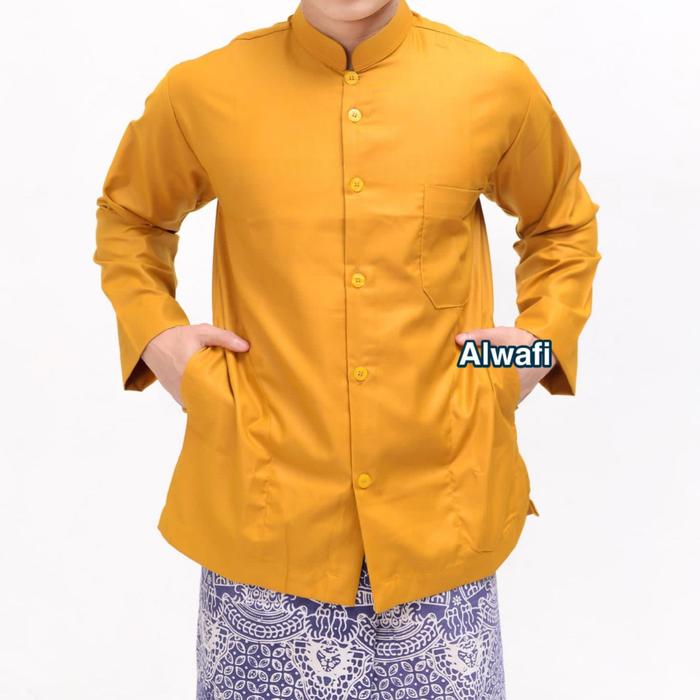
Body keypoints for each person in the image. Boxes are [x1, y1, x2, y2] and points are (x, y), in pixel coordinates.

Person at [93, 1, 601, 697]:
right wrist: (159, 339)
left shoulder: (492, 85)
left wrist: (524, 355)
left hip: (442, 510)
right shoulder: (203, 90)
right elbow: (129, 217)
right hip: (266, 515)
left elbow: (562, 225)